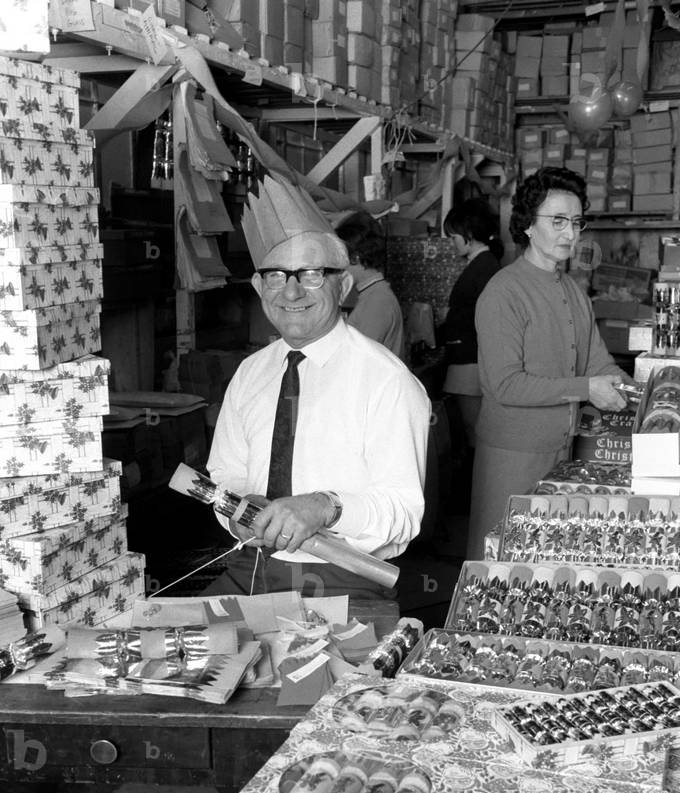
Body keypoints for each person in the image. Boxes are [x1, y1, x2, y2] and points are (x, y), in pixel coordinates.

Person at [204, 175, 431, 599]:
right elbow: (225, 472)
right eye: (276, 276)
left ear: (342, 286)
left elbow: (403, 512)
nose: (291, 291)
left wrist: (324, 507)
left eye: (310, 274)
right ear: (258, 287)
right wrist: (237, 510)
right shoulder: (251, 373)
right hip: (248, 566)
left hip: (346, 578)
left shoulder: (388, 382)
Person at [467, 166, 628, 560]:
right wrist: (585, 389)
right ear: (526, 226)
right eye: (557, 221)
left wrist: (653, 396)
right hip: (511, 458)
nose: (570, 234)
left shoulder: (572, 291)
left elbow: (597, 362)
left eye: (575, 222)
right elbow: (504, 385)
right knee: (498, 569)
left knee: (543, 574)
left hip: (562, 455)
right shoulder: (504, 291)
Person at [437, 198, 502, 449]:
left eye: (453, 237)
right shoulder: (480, 265)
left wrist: (449, 323)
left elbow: (484, 317)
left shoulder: (484, 267)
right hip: (467, 356)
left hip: (471, 358)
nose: (452, 244)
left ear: (470, 235)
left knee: (473, 431)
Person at [336, 210, 405, 360]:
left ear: (356, 257)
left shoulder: (377, 301)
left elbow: (358, 358)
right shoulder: (373, 294)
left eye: (341, 256)